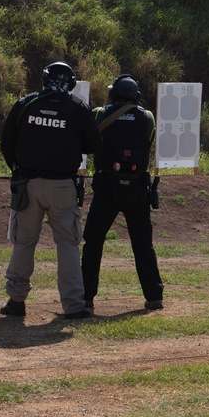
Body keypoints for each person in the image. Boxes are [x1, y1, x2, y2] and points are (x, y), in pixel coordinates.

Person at [0, 62, 103, 319]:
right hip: (62, 187)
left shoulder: (26, 104)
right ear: (71, 83)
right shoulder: (78, 107)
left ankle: (16, 301)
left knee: (24, 242)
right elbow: (94, 144)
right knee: (67, 244)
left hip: (27, 184)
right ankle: (74, 305)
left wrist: (19, 167)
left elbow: (6, 142)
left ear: (44, 79)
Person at [81, 75, 165, 312]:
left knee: (93, 242)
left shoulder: (99, 114)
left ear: (114, 94)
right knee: (143, 245)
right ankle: (154, 295)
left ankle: (86, 297)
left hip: (107, 186)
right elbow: (149, 139)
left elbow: (90, 138)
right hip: (137, 188)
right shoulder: (147, 117)